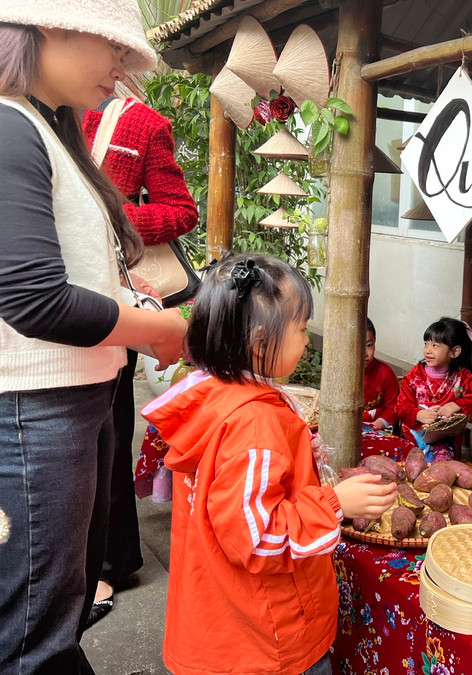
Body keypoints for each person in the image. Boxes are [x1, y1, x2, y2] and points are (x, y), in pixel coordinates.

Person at [0, 4, 188, 672]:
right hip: (34, 409)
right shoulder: (10, 125)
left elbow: (75, 268)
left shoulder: (48, 128)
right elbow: (33, 297)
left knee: (52, 611)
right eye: (112, 45)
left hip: (68, 400)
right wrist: (159, 327)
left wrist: (131, 302)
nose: (121, 67)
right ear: (46, 27)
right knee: (34, 632)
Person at [141, 254, 396, 675]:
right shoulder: (254, 424)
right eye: (300, 329)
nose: (305, 339)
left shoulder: (215, 393)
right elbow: (257, 538)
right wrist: (335, 503)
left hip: (222, 624)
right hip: (265, 641)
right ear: (261, 341)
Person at [82, 96, 199, 626]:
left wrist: (109, 218)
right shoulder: (27, 110)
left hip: (113, 295)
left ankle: (110, 561)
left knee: (106, 425)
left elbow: (181, 211)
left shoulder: (142, 122)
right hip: (35, 294)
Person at [396, 317, 472, 462]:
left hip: (445, 446)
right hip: (412, 441)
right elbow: (400, 408)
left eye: (435, 345)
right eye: (426, 344)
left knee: (440, 468)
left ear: (454, 352)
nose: (427, 350)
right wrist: (418, 414)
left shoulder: (461, 377)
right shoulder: (414, 376)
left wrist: (457, 404)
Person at [362, 317, 399, 432]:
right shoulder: (340, 374)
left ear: (374, 342)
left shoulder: (385, 373)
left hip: (378, 427)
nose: (365, 353)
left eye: (368, 345)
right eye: (357, 346)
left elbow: (394, 408)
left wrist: (376, 425)